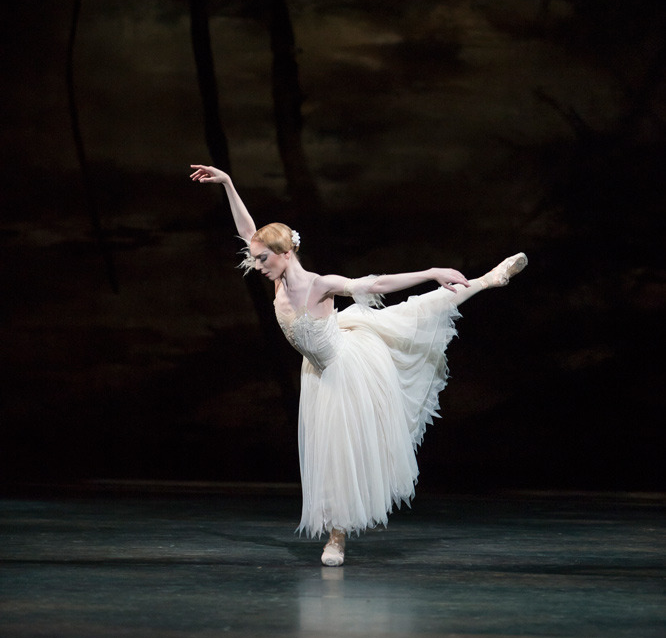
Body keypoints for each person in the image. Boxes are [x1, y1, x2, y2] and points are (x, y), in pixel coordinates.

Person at [190, 164, 527, 566]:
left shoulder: (319, 284)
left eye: (263, 259)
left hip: (347, 366)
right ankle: (337, 534)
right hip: (318, 373)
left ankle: (487, 280)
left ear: (286, 253)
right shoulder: (275, 277)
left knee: (415, 312)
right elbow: (249, 231)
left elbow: (378, 285)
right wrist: (228, 183)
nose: (257, 265)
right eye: (256, 259)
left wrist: (432, 271)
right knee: (330, 454)